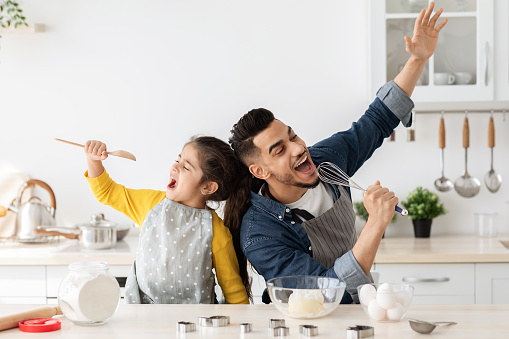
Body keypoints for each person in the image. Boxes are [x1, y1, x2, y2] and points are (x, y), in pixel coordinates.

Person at [224, 2, 447, 304]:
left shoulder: (326, 161)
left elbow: (378, 119)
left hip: (357, 306)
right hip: (302, 322)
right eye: (280, 150)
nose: (299, 148)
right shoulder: (259, 232)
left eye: (293, 136)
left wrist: (418, 60)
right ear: (260, 171)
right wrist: (374, 224)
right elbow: (327, 291)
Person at [83, 136, 250, 304]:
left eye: (185, 167)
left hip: (195, 325)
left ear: (207, 187)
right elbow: (107, 192)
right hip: (143, 320)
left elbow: (235, 294)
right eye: (178, 160)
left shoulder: (217, 233)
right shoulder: (152, 205)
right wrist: (93, 160)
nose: (174, 167)